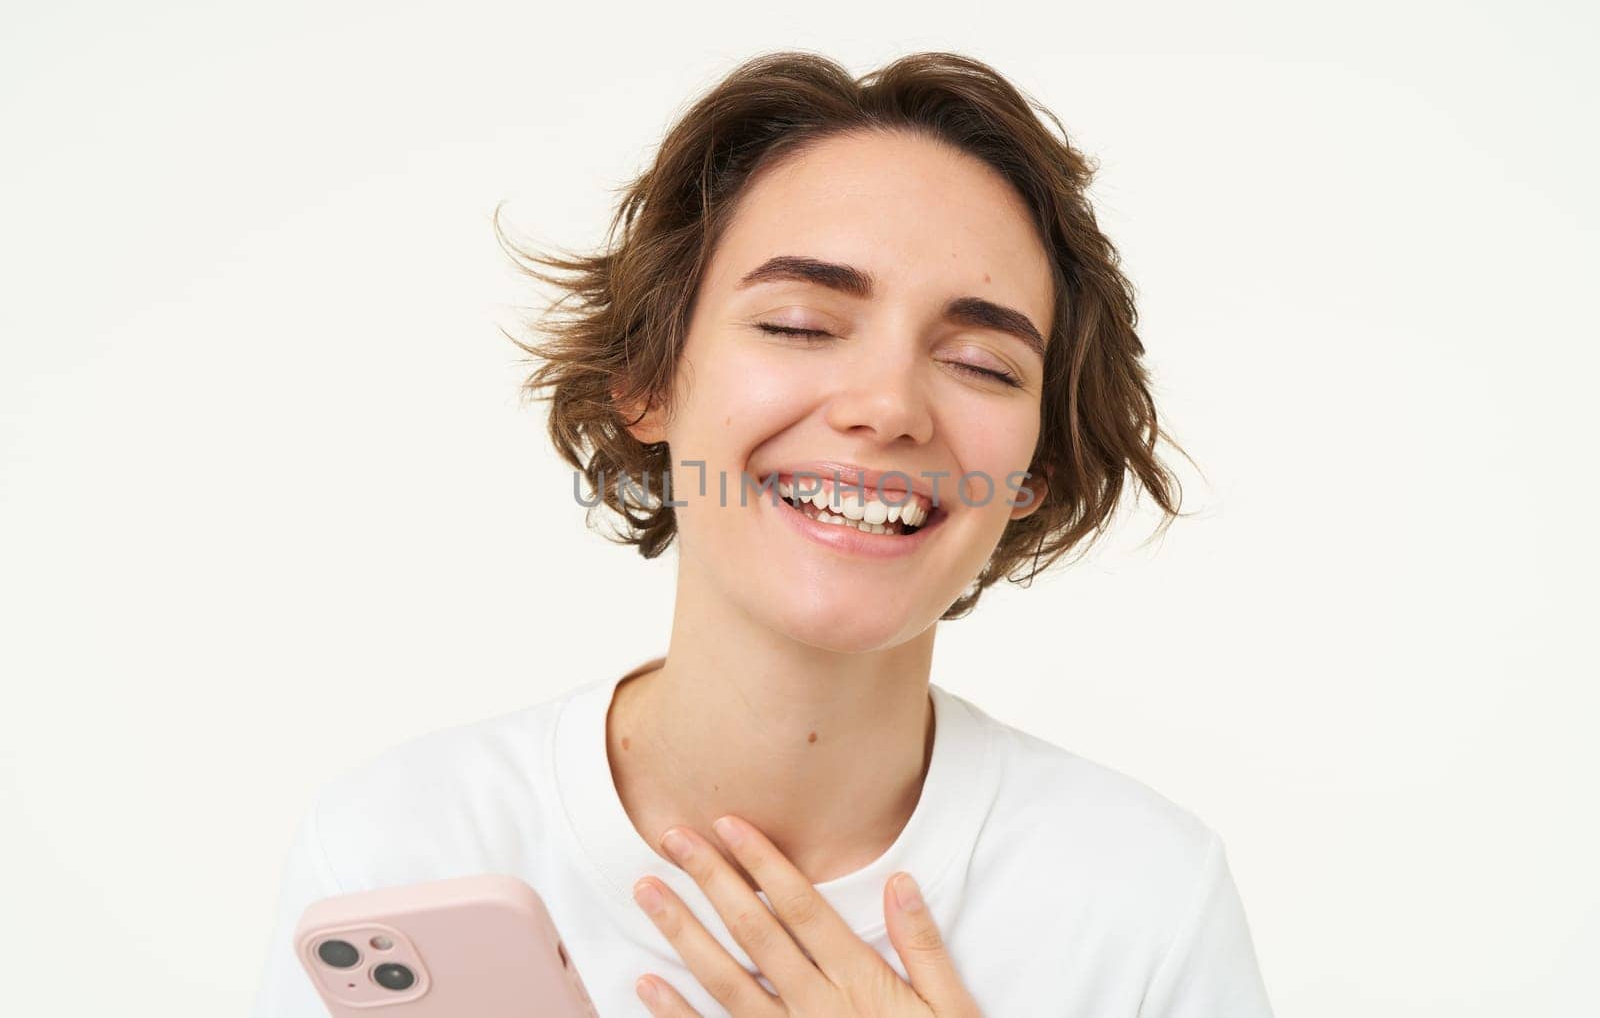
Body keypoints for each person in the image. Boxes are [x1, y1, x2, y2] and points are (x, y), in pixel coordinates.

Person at [250, 50, 1276, 1017]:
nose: (886, 405)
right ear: (647, 379)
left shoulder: (1144, 902)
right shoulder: (399, 851)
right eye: (796, 324)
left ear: (1032, 472)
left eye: (980, 362)